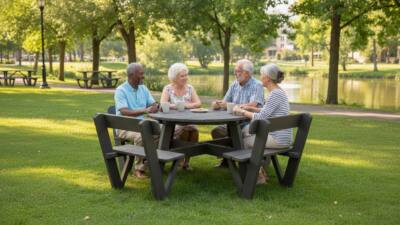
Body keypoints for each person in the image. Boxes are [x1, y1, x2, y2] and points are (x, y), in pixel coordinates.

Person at [233, 63, 292, 184]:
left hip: (278, 139)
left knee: (242, 141)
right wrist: (252, 109)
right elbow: (267, 111)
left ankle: (258, 175)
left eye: (262, 75)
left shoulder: (274, 94)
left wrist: (242, 111)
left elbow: (261, 117)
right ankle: (260, 171)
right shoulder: (279, 92)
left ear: (268, 78)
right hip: (283, 137)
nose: (260, 78)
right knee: (245, 132)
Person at [211, 59, 264, 167]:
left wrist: (233, 106)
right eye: (235, 70)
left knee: (235, 134)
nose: (235, 73)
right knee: (217, 131)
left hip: (248, 122)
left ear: (247, 73)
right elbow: (225, 102)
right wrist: (217, 104)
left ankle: (243, 162)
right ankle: (227, 160)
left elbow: (253, 105)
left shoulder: (257, 85)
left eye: (238, 71)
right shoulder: (234, 84)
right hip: (231, 122)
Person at [115, 63, 159, 178]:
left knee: (161, 131)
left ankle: (151, 162)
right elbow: (124, 111)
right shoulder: (121, 90)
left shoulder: (143, 88)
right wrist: (145, 111)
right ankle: (139, 169)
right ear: (131, 75)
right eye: (141, 74)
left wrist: (155, 106)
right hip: (124, 127)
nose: (143, 76)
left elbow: (153, 103)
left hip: (141, 124)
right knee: (142, 136)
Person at [160, 63, 202, 170]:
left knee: (194, 131)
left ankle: (186, 162)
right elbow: (163, 104)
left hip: (189, 120)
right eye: (182, 76)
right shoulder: (168, 88)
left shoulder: (190, 88)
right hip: (173, 123)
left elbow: (198, 103)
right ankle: (179, 160)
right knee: (184, 131)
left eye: (186, 75)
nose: (185, 78)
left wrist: (186, 105)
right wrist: (176, 106)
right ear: (174, 77)